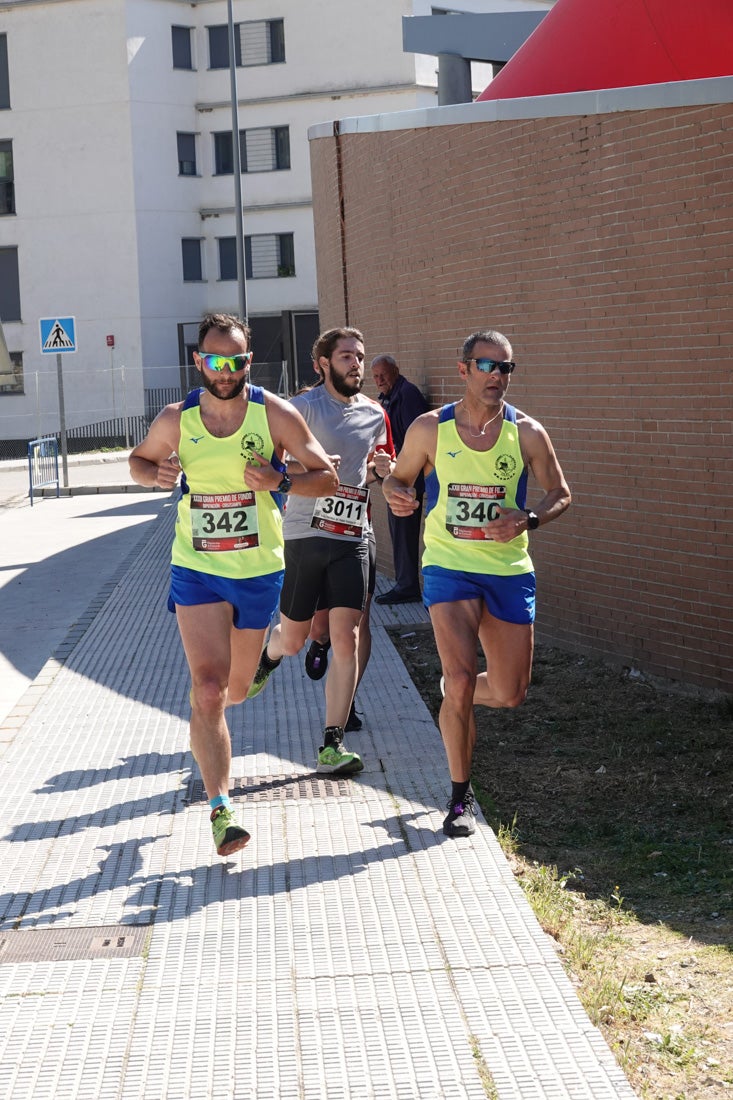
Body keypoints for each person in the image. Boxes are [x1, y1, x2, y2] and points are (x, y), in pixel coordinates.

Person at [128, 313, 337, 857]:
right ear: (199, 360)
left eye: (237, 360)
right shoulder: (177, 419)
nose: (226, 370)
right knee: (208, 689)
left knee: (235, 692)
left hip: (257, 571)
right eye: (215, 360)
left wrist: (281, 479)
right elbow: (138, 460)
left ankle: (222, 705)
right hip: (195, 567)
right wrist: (154, 475)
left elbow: (327, 476)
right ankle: (222, 809)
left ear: (249, 361)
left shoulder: (275, 415)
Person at [382, 330, 571, 838]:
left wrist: (528, 519)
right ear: (463, 369)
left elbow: (561, 493)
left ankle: (454, 693)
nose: (496, 376)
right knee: (463, 679)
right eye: (487, 365)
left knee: (510, 692)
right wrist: (397, 494)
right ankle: (459, 797)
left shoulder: (527, 432)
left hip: (508, 570)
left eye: (505, 368)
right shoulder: (429, 429)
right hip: (448, 564)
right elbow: (396, 479)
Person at [247, 326, 393, 776]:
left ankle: (332, 742)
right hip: (306, 535)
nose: (356, 364)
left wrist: (384, 469)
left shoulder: (375, 414)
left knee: (347, 635)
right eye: (346, 356)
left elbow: (380, 464)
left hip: (353, 535)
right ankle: (268, 658)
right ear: (322, 364)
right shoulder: (299, 409)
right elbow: (267, 465)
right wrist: (302, 467)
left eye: (360, 356)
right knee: (292, 638)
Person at [372, 354, 429, 604]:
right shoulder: (389, 396)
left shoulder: (408, 395)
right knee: (398, 530)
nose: (379, 380)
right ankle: (403, 583)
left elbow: (414, 441)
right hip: (396, 475)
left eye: (383, 374)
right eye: (375, 377)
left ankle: (407, 587)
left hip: (408, 477)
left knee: (404, 530)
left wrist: (400, 473)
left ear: (396, 370)